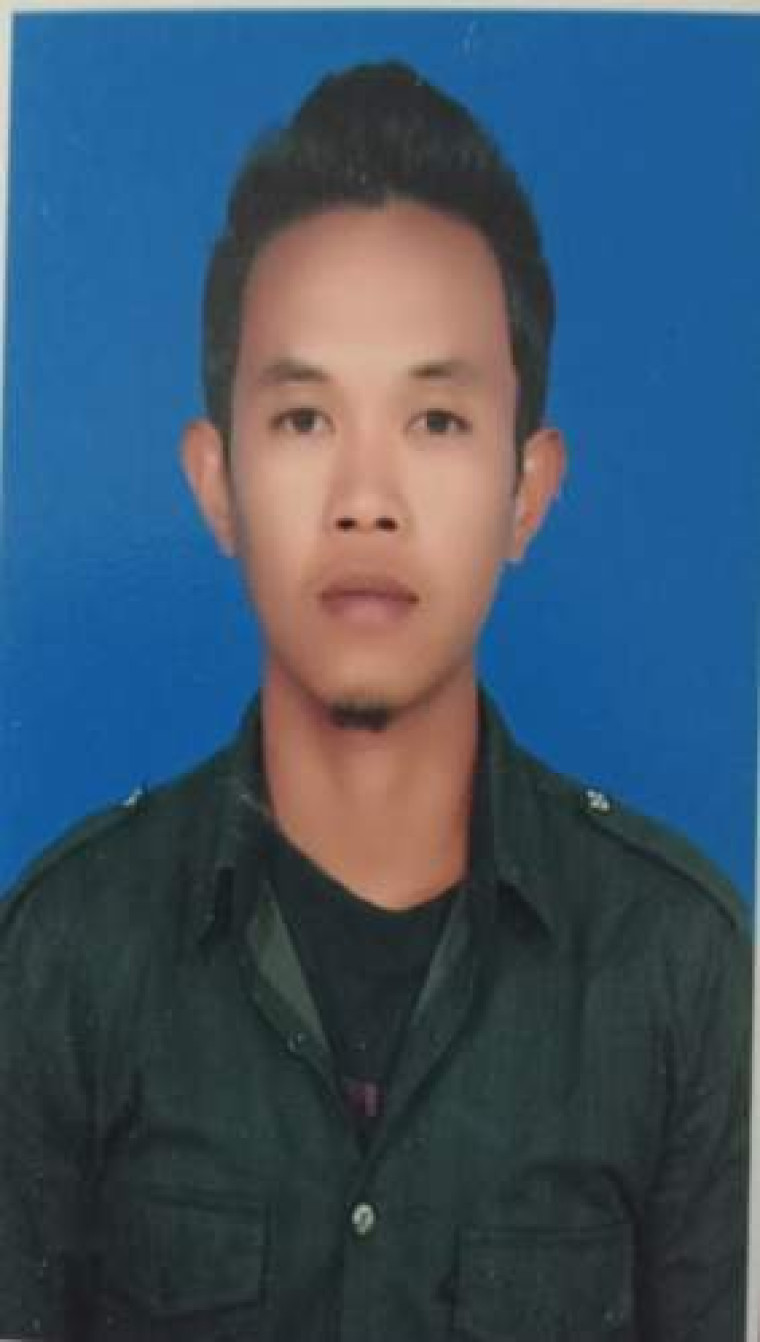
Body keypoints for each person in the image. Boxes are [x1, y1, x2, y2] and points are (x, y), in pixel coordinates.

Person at [0, 61, 750, 1342]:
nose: (365, 499)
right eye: (303, 418)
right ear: (216, 482)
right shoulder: (67, 955)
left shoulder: (679, 969)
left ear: (526, 490)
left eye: (436, 422)